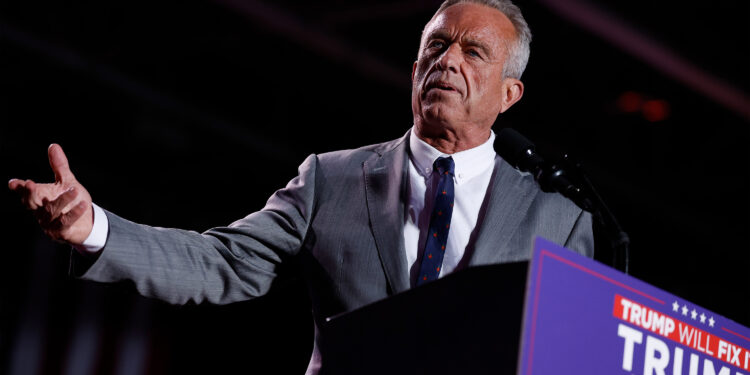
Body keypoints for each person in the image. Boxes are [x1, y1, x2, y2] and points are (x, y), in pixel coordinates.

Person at [9, 0, 594, 373]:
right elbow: (222, 261)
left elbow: (574, 357)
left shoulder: (560, 214)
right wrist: (93, 229)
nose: (448, 62)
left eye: (474, 52)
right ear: (415, 66)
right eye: (435, 46)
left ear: (509, 94)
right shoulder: (331, 179)